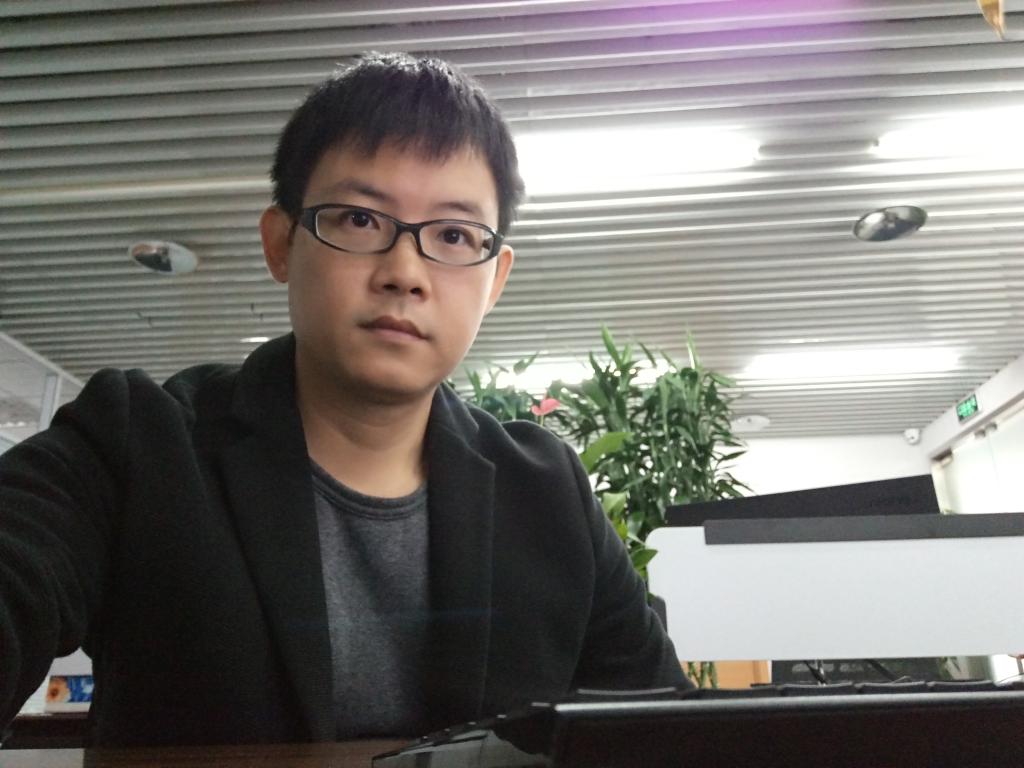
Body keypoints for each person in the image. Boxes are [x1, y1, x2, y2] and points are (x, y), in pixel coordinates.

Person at [0, 52, 686, 747]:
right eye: (359, 219)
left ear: (495, 278)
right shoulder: (139, 444)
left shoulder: (548, 493)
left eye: (454, 235)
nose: (405, 272)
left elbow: (664, 731)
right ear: (281, 243)